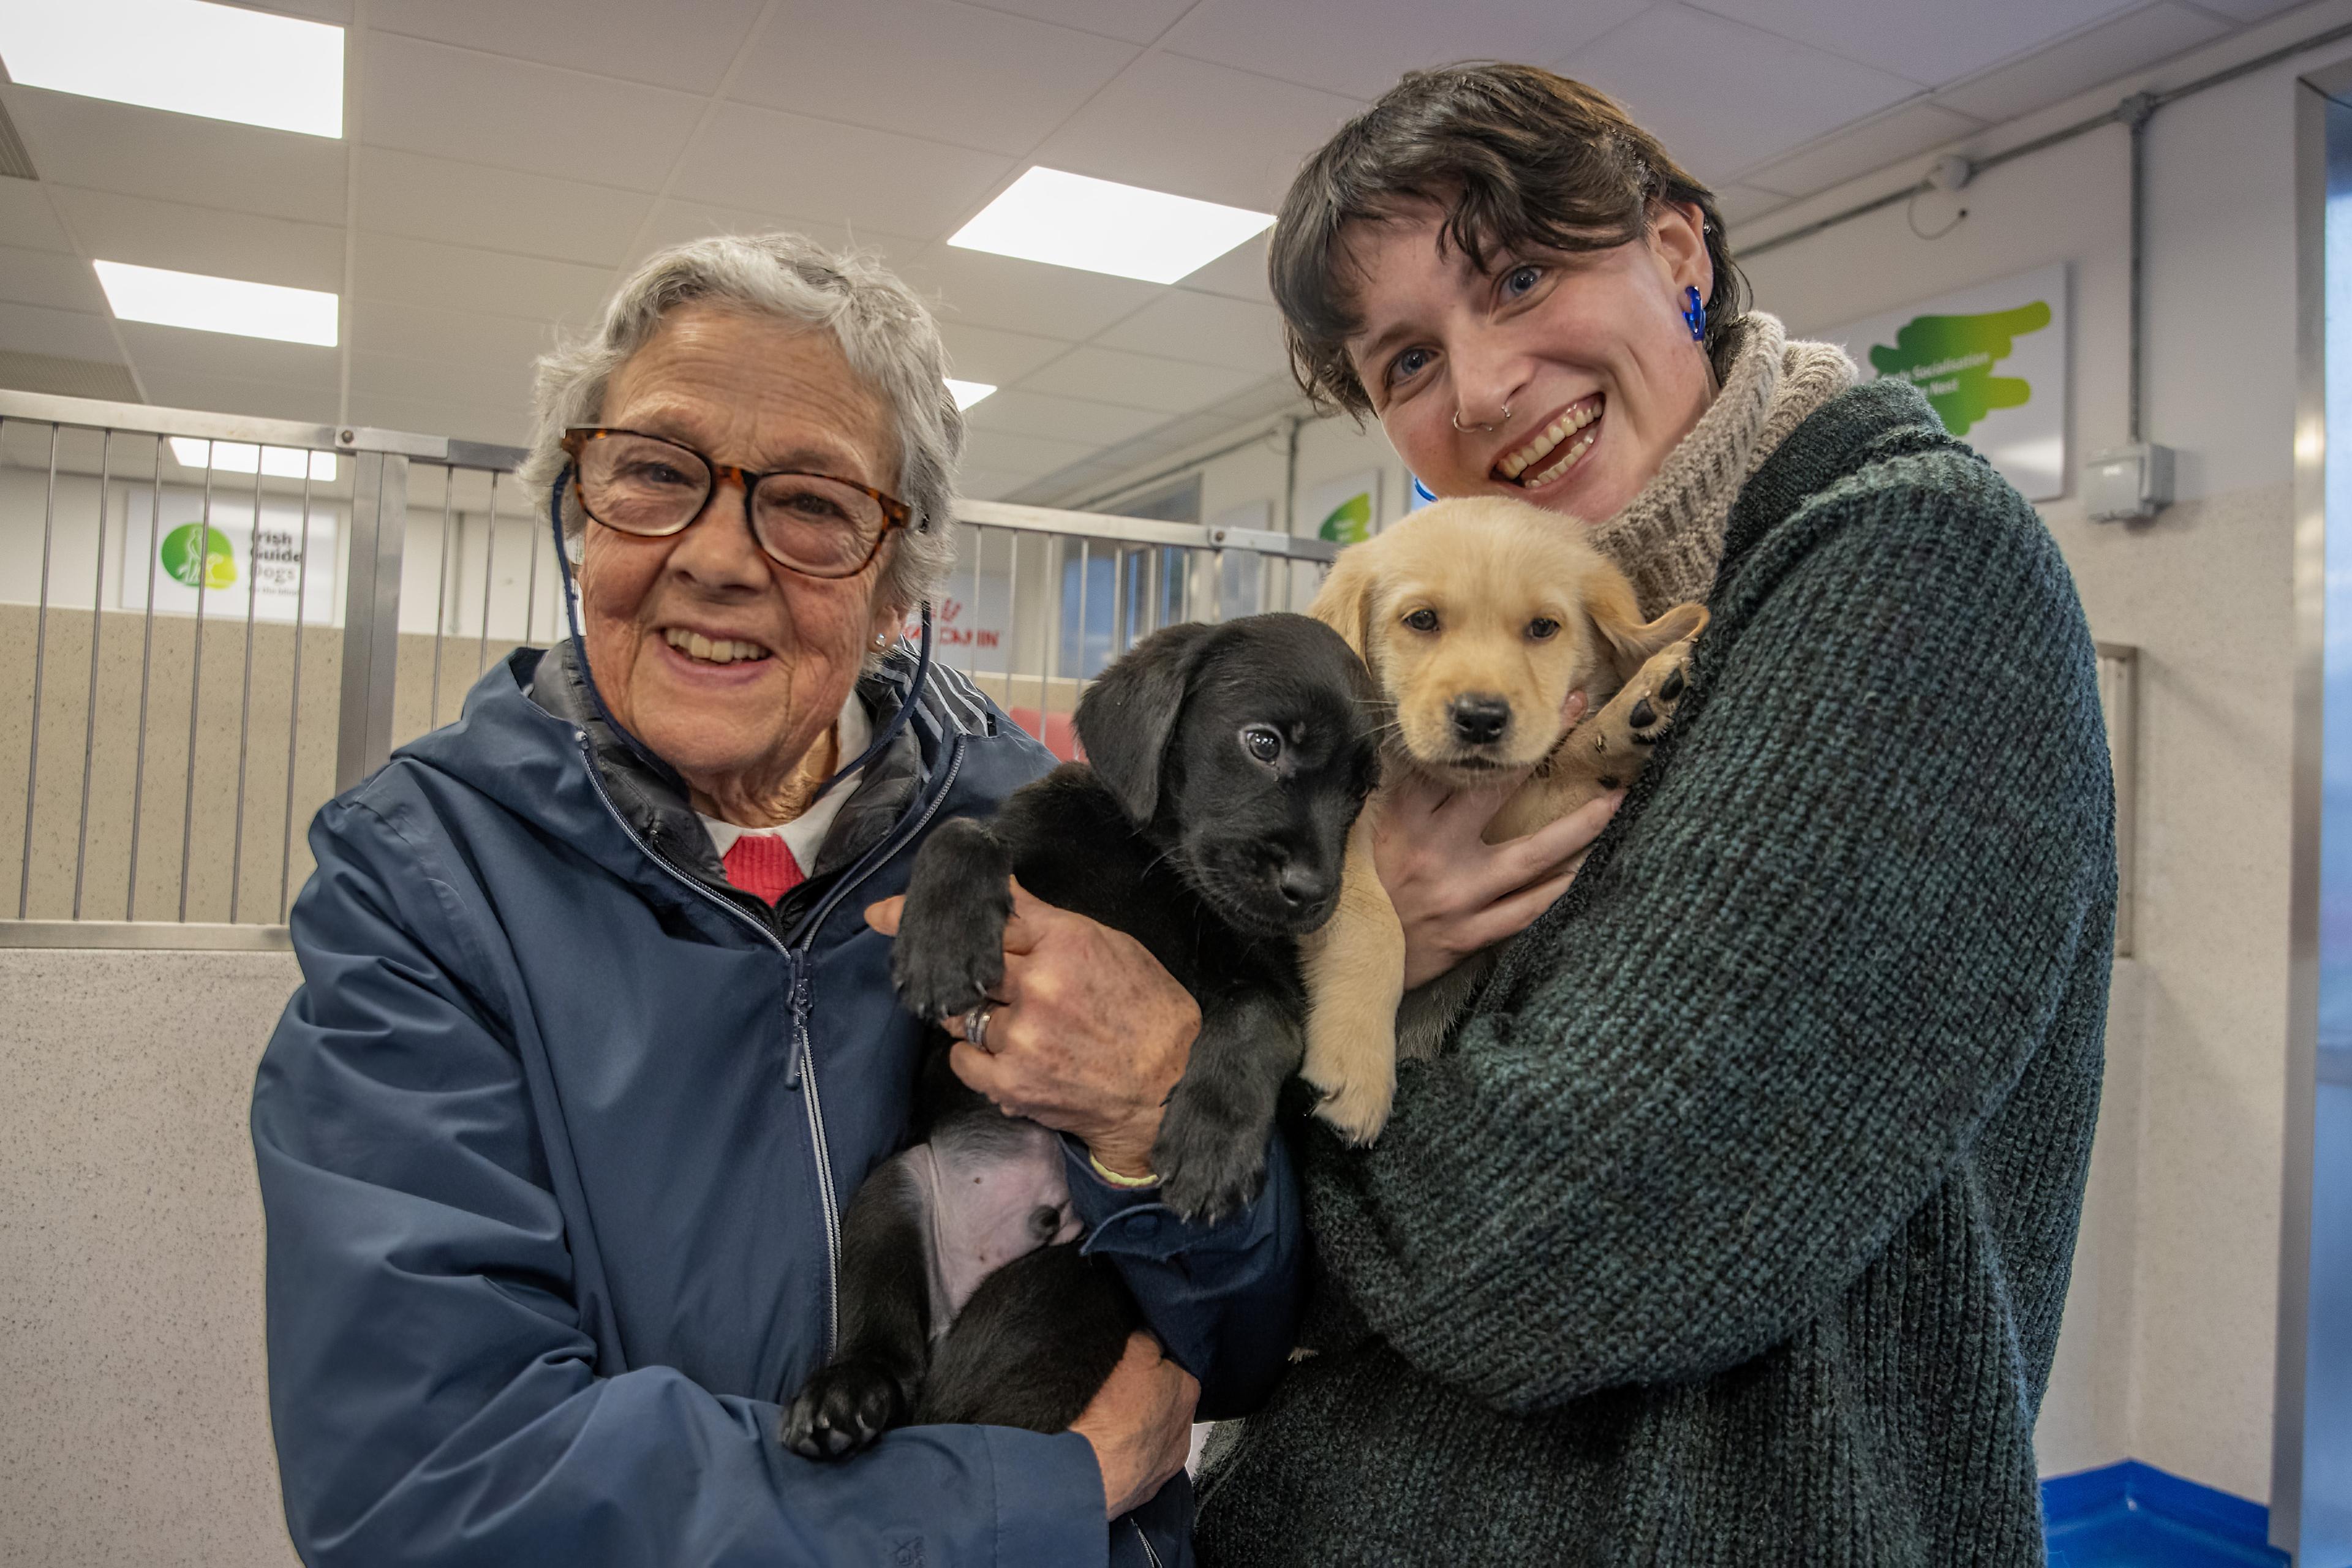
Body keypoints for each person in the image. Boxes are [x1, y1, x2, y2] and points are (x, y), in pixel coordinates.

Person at [251, 233, 1301, 1567]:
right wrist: (1008, 1499)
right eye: (653, 473)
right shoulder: (427, 888)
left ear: (893, 586)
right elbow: (425, 1486)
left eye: (808, 501)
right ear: (580, 518)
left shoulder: (1049, 829)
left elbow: (1252, 1335)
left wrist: (1156, 1111)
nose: (718, 554)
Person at [1193, 64, 2114, 1565]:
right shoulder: (1491, 683)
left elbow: (1566, 1246)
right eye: (1406, 361)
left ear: (1681, 253)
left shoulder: (1906, 568)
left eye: (1523, 274)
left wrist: (1252, 1102)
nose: (1482, 384)